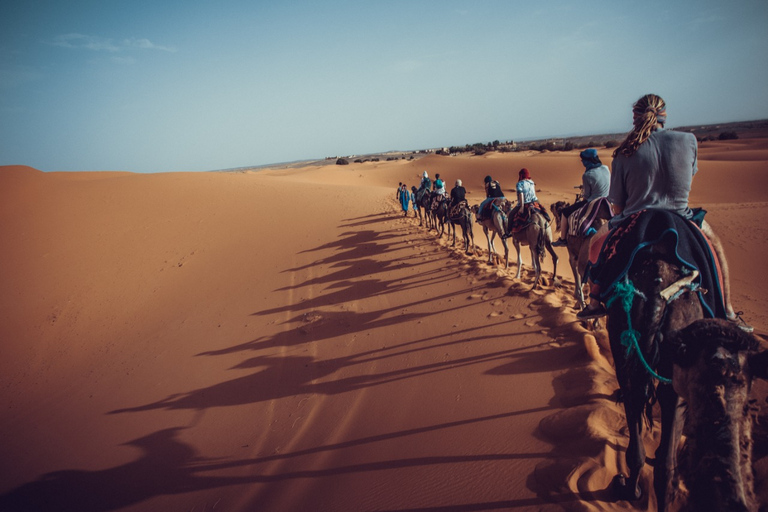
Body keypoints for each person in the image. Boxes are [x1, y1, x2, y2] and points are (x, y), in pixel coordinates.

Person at [577, 93, 752, 332]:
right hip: (681, 218)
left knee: (596, 243)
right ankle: (729, 310)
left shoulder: (624, 152)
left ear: (635, 117)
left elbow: (618, 207)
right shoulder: (689, 141)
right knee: (716, 249)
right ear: (664, 116)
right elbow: (689, 177)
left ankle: (595, 301)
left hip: (635, 219)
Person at [552, 149, 611, 246]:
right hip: (608, 202)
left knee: (565, 213)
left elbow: (587, 196)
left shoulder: (587, 175)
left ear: (588, 160)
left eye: (583, 160)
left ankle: (563, 239)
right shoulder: (606, 168)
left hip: (595, 203)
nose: (582, 162)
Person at [504, 168, 549, 237]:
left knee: (511, 215)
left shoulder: (519, 184)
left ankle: (508, 232)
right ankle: (547, 220)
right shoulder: (532, 182)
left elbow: (521, 195)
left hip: (525, 203)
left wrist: (521, 207)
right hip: (535, 201)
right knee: (542, 212)